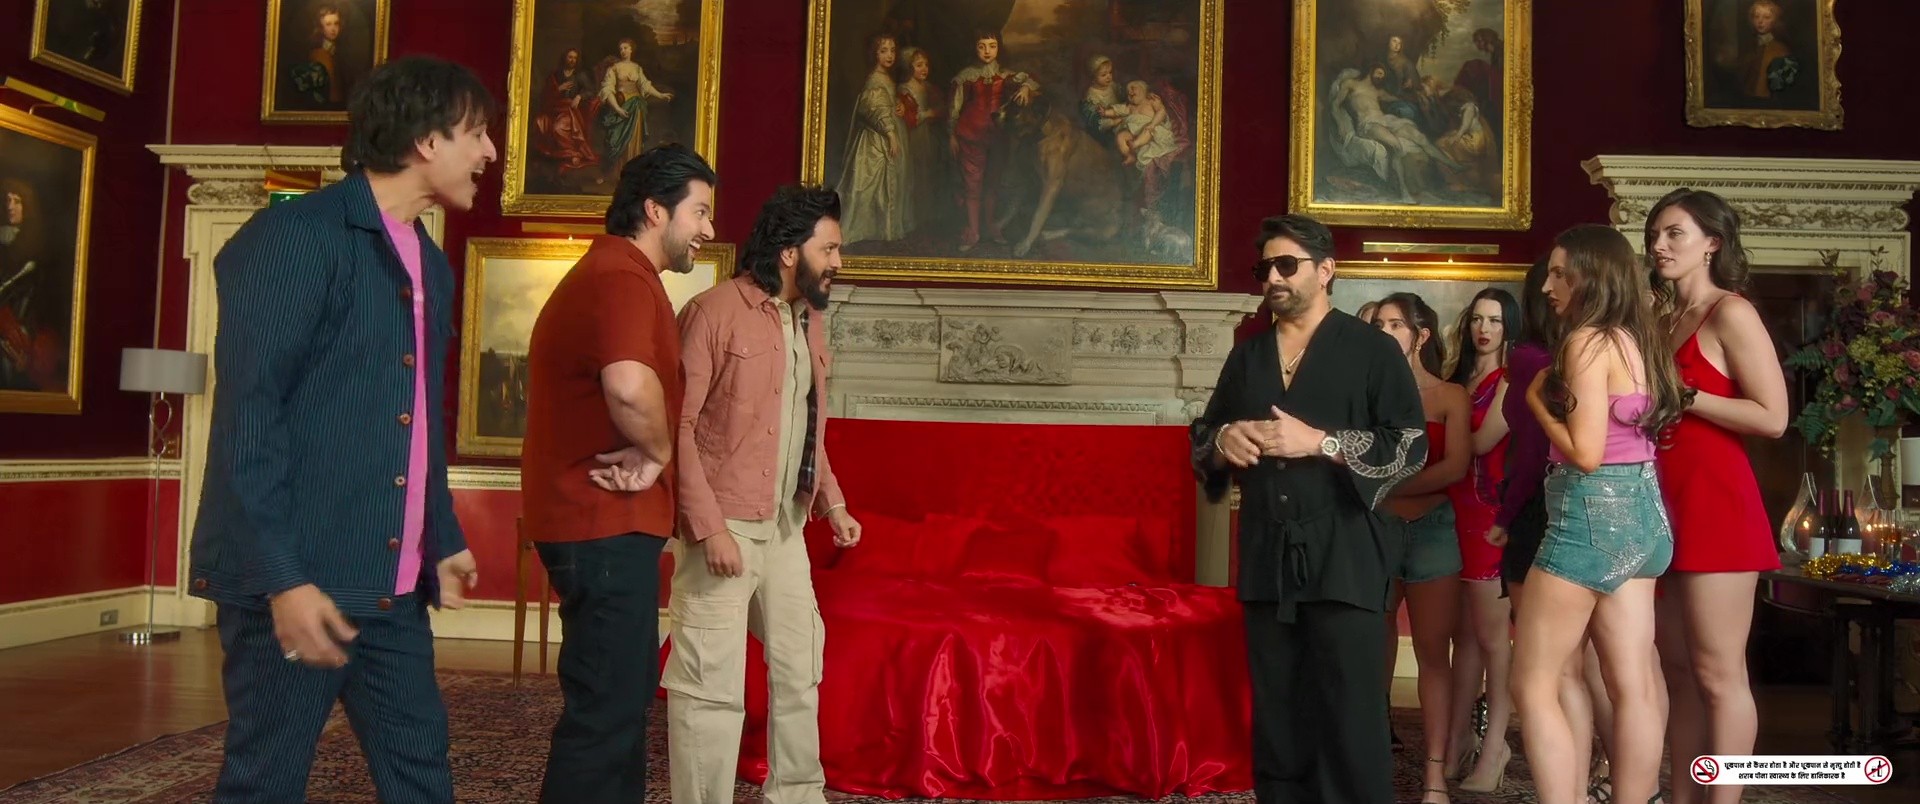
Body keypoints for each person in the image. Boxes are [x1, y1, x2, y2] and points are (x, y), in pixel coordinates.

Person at [186, 55, 495, 802]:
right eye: (478, 133)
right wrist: (285, 581)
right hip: (297, 580)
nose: (489, 153)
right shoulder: (295, 235)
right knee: (265, 782)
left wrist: (442, 534)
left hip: (393, 584)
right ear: (426, 140)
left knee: (422, 771)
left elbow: (416, 416)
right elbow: (250, 420)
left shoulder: (429, 260)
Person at [1191, 213, 1428, 804]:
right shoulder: (1247, 357)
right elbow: (1205, 435)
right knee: (1278, 717)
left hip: (1345, 557)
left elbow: (1409, 445)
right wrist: (1225, 441)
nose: (1273, 277)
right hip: (1267, 557)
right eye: (1265, 267)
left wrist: (1320, 443)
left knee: (1349, 718)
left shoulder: (1372, 350)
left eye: (1286, 265)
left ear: (1325, 271)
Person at [521, 142, 717, 804]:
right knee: (607, 712)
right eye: (699, 212)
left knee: (620, 702)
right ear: (655, 210)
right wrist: (659, 453)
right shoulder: (621, 277)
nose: (709, 228)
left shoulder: (618, 274)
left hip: (600, 525)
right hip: (601, 524)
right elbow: (631, 388)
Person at [666, 184, 864, 804]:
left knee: (802, 668)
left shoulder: (811, 321)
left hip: (785, 529)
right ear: (789, 251)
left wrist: (832, 501)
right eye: (828, 249)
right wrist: (709, 529)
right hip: (722, 528)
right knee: (711, 687)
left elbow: (804, 426)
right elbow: (678, 428)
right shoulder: (711, 313)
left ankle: (798, 797)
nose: (837, 262)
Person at [1514, 224, 1687, 804]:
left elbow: (1586, 454)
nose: (1548, 286)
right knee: (1633, 685)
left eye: (1560, 273)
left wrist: (1538, 404)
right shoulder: (1637, 340)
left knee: (1533, 684)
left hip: (1592, 515)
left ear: (1592, 275)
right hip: (1645, 517)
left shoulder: (1585, 342)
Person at [1645, 187, 1788, 804]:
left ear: (1712, 243)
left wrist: (1689, 396)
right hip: (1659, 504)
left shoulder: (1732, 312)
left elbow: (1774, 417)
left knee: (1718, 673)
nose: (1659, 244)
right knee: (1676, 671)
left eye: (1674, 233)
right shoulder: (1657, 319)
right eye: (1655, 234)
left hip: (1716, 504)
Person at [1374, 292, 1469, 804]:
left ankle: (1434, 774)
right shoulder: (1368, 393)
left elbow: (1455, 467)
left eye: (1395, 324)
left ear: (1421, 335)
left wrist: (1391, 488)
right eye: (1379, 325)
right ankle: (1371, 758)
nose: (1385, 332)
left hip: (1433, 528)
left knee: (1434, 653)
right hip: (1378, 529)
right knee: (1374, 646)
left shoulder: (1451, 395)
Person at [1441, 288, 1520, 792]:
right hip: (1450, 510)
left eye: (1494, 320)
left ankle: (1496, 747)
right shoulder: (1458, 378)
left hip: (1489, 516)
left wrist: (1440, 434)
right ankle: (1457, 739)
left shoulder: (1510, 380)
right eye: (1477, 319)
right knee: (1464, 637)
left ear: (1509, 326)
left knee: (1494, 641)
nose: (1483, 329)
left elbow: (1482, 441)